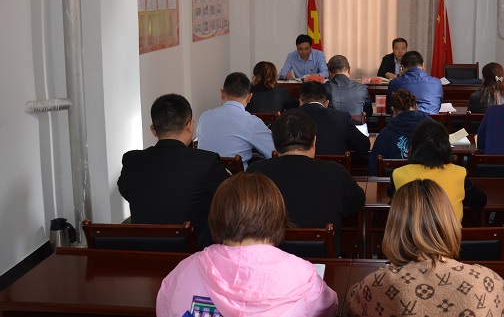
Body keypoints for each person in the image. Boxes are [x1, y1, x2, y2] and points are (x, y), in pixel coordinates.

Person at [156, 173, 338, 317]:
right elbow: (329, 308)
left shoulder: (184, 270)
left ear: (217, 215)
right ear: (277, 217)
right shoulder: (304, 277)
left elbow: (164, 308)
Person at [347, 179, 504, 317]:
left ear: (394, 227)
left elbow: (352, 301)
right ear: (449, 222)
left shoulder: (378, 283)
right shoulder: (483, 280)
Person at [118, 94, 229, 250]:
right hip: (193, 255)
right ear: (190, 126)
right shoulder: (207, 162)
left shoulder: (132, 161)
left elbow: (127, 192)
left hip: (144, 253)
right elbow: (230, 199)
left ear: (153, 130)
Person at [247, 113, 365, 256]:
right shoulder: (336, 172)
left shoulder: (256, 172)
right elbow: (357, 202)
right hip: (324, 263)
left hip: (267, 260)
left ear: (275, 143)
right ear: (314, 141)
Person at [388, 121, 486, 223]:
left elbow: (391, 195)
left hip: (410, 233)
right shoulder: (459, 173)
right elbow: (480, 201)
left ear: (414, 146)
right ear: (446, 146)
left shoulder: (398, 174)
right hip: (450, 233)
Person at [197, 72, 275, 169]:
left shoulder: (204, 117)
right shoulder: (251, 122)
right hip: (236, 178)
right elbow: (274, 153)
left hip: (204, 175)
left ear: (222, 93)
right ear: (249, 97)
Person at [285, 81, 370, 155]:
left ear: (300, 101)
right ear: (327, 103)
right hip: (333, 168)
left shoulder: (287, 117)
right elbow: (364, 146)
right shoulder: (342, 118)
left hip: (297, 168)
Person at [368, 89, 431, 175]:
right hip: (429, 180)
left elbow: (373, 169)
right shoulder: (433, 128)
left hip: (395, 181)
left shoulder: (385, 134)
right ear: (416, 107)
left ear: (393, 110)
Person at [386, 50, 443, 114]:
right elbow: (437, 106)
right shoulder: (437, 83)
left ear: (402, 68)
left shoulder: (394, 83)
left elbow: (389, 110)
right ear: (423, 65)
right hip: (431, 120)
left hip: (405, 120)